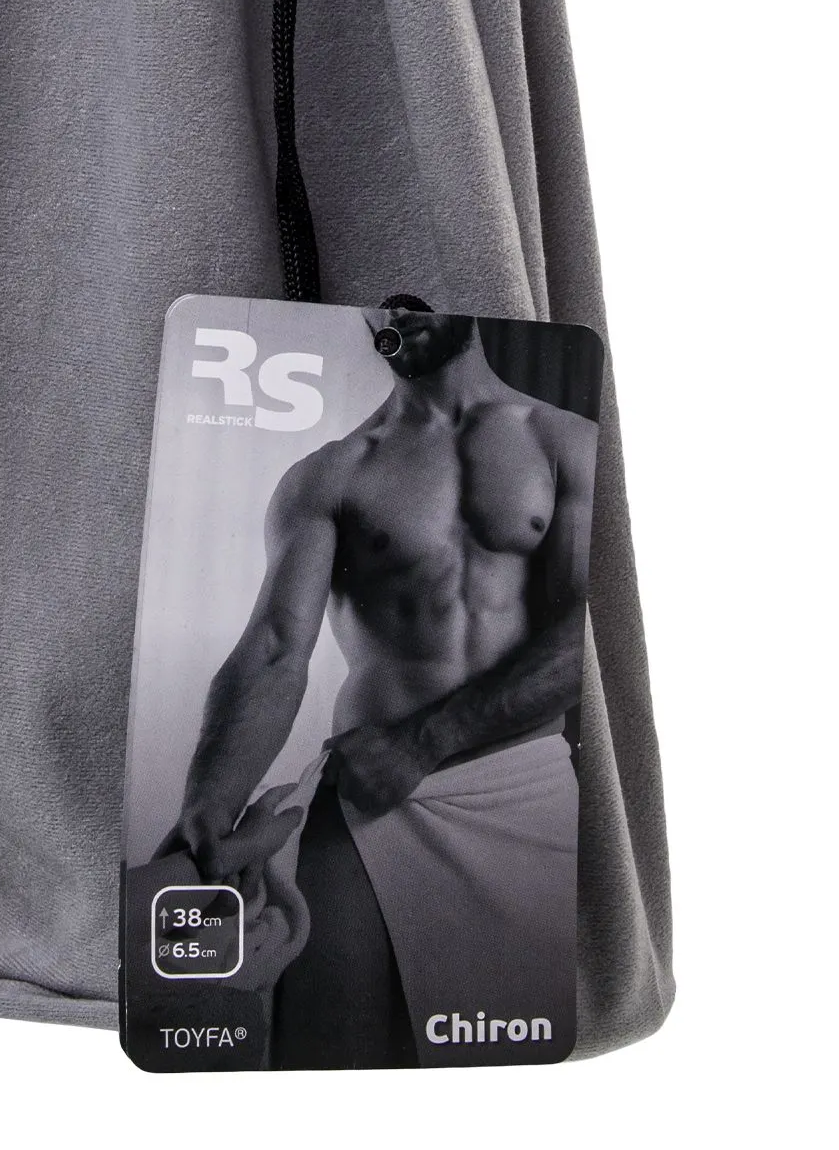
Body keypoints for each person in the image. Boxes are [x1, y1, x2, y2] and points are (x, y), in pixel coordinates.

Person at [165, 299, 595, 1067]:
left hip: (522, 791)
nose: (402, 312)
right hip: (371, 803)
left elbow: (586, 641)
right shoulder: (335, 471)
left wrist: (424, 741)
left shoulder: (564, 442)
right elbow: (275, 648)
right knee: (328, 1053)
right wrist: (209, 803)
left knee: (516, 1056)